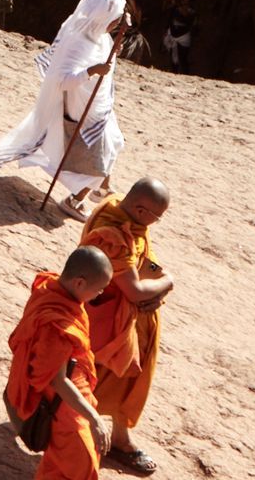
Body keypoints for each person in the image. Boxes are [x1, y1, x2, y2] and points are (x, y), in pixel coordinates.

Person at [0, 0, 131, 220]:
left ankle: (100, 188)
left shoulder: (98, 33)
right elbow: (61, 79)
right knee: (96, 160)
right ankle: (75, 200)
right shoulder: (78, 41)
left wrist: (113, 51)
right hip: (81, 109)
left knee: (114, 141)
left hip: (99, 107)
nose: (117, 23)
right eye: (115, 19)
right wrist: (92, 71)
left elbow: (101, 56)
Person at [79, 179, 173, 475]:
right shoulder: (113, 235)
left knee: (117, 376)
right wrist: (168, 282)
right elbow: (132, 290)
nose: (155, 224)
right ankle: (91, 436)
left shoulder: (119, 206)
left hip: (127, 318)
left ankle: (117, 436)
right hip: (110, 321)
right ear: (141, 209)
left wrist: (156, 289)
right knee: (107, 374)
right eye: (156, 217)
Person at [6, 246, 115, 480]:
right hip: (63, 405)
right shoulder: (57, 325)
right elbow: (58, 381)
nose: (100, 294)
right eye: (99, 290)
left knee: (64, 462)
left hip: (74, 392)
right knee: (82, 461)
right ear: (79, 283)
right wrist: (94, 418)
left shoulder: (50, 288)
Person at [160, 0, 195, 73]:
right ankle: (174, 72)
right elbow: (169, 19)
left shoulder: (192, 12)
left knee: (183, 57)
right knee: (173, 56)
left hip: (183, 37)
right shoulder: (175, 9)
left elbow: (189, 20)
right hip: (173, 35)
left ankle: (185, 74)